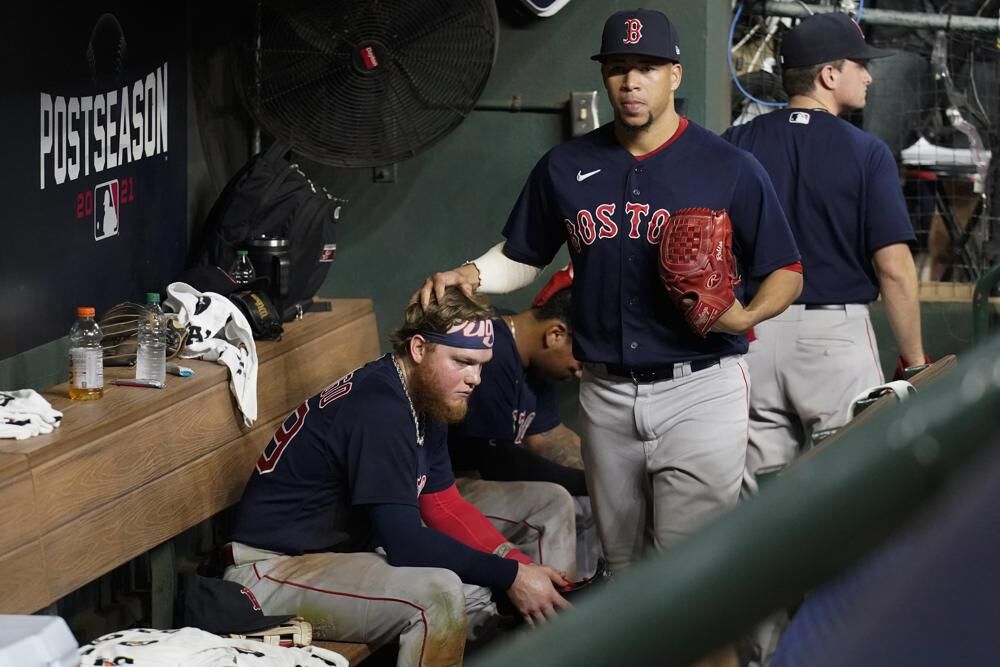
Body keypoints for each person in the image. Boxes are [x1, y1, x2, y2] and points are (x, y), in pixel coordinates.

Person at [420, 7, 802, 579]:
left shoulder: (729, 167)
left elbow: (787, 270)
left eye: (647, 67)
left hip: (700, 387)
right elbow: (523, 256)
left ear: (675, 73)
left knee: (690, 573)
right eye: (619, 67)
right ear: (605, 76)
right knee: (622, 569)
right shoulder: (565, 166)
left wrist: (745, 313)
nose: (631, 81)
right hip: (605, 392)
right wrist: (471, 274)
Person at [721, 13, 928, 666]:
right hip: (834, 338)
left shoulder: (739, 142)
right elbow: (894, 267)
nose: (868, 73)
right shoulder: (864, 151)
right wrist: (916, 362)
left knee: (758, 516)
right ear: (828, 75)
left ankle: (760, 655)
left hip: (753, 330)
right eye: (858, 63)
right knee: (851, 508)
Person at [222, 287, 570, 667]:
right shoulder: (381, 409)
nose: (476, 379)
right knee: (438, 597)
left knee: (473, 592)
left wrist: (518, 567)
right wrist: (510, 575)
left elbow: (442, 506)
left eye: (481, 365)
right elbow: (406, 543)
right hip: (268, 572)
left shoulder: (424, 396)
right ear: (419, 349)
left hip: (330, 556)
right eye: (463, 362)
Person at [448, 267, 602, 578]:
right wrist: (586, 484)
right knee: (556, 502)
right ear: (555, 334)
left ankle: (588, 596)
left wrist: (603, 473)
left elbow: (546, 436)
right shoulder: (491, 351)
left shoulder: (535, 360)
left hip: (485, 483)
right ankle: (559, 611)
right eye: (579, 363)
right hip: (448, 488)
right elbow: (495, 462)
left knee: (595, 502)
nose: (579, 373)